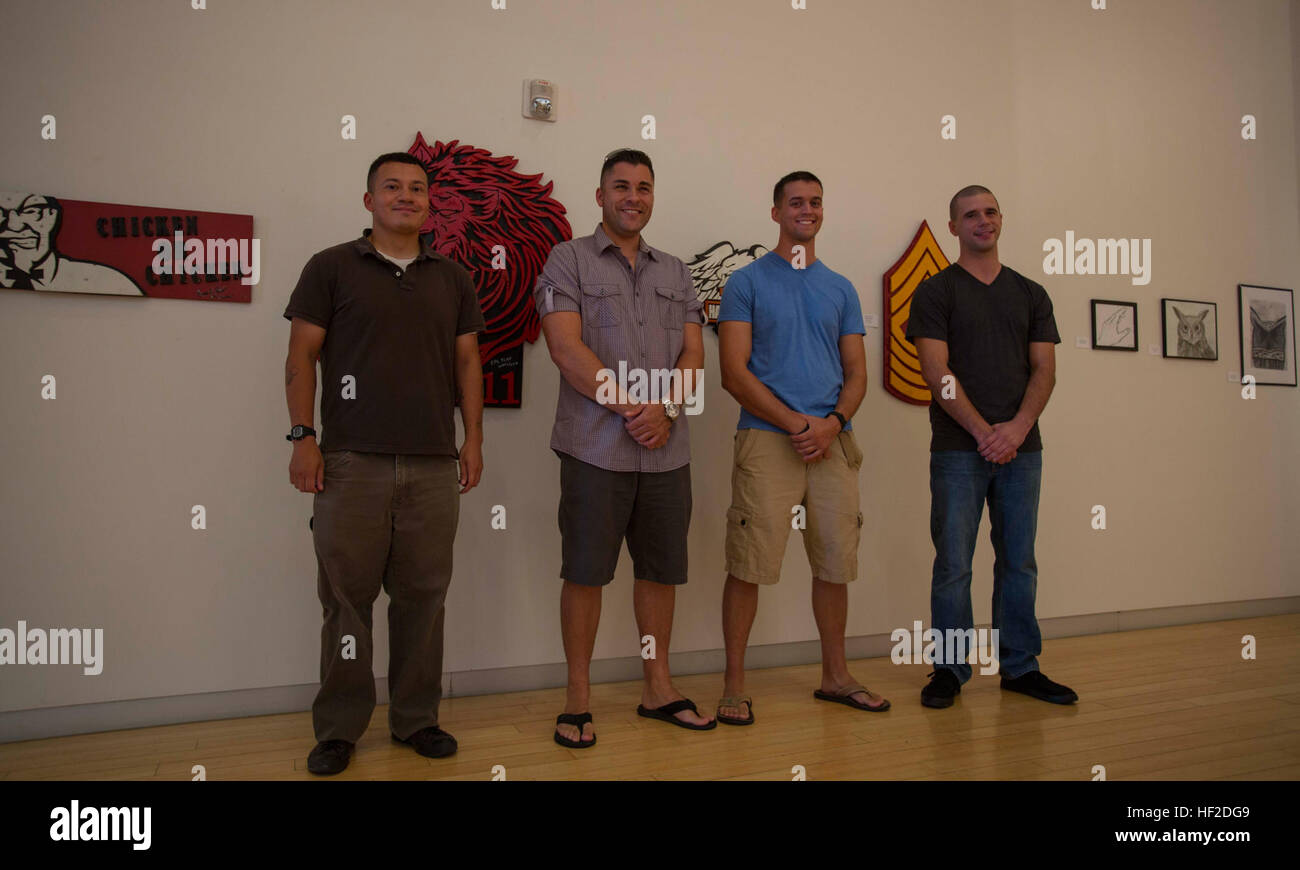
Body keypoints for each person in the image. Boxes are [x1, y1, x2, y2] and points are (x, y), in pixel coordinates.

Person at [283, 152, 486, 774]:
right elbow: (301, 356)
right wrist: (302, 436)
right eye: (392, 187)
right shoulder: (332, 267)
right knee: (347, 601)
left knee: (423, 597)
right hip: (349, 463)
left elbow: (468, 364)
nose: (406, 196)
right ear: (368, 199)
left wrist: (472, 438)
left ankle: (417, 719)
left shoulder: (451, 277)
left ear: (431, 203)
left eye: (418, 188)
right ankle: (340, 729)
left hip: (431, 464)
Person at [535, 148, 713, 748]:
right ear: (600, 195)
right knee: (586, 573)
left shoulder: (677, 272)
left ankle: (657, 687)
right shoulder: (568, 261)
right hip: (594, 449)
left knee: (660, 573)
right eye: (620, 186)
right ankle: (577, 696)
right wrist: (636, 408)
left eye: (643, 186)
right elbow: (565, 348)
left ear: (653, 195)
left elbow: (695, 354)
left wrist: (665, 410)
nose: (632, 196)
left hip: (668, 450)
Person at [715, 170, 888, 727]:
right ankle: (734, 685)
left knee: (834, 564)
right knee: (750, 564)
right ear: (775, 213)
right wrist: (796, 423)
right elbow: (733, 373)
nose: (805, 210)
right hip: (768, 440)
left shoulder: (840, 287)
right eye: (795, 202)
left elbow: (858, 374)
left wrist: (832, 424)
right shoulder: (746, 283)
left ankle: (835, 677)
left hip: (833, 442)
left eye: (814, 202)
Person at [905, 184, 1077, 708]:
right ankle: (950, 671)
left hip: (1023, 452)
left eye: (990, 212)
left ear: (1000, 219)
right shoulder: (936, 292)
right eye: (970, 215)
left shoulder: (1032, 293)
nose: (983, 221)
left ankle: (1020, 667)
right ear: (953, 227)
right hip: (959, 451)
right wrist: (984, 432)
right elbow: (938, 373)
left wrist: (1017, 429)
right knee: (954, 564)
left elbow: (1045, 370)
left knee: (1019, 562)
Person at [0, 193, 140, 294]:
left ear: (52, 216)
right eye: (2, 214)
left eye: (31, 212)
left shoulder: (112, 281)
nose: (14, 225)